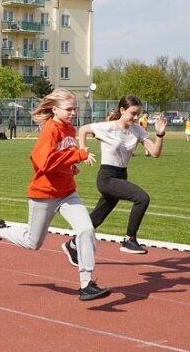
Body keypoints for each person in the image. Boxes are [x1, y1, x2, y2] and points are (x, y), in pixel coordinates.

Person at [0, 88, 110, 301]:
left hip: (67, 192)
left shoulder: (69, 129)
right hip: (44, 194)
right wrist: (78, 155)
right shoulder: (50, 129)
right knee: (33, 242)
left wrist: (71, 166)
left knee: (86, 229)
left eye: (75, 109)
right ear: (55, 109)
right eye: (68, 109)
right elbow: (43, 163)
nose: (73, 113)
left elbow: (62, 158)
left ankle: (86, 284)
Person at [62, 95, 166, 266]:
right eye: (132, 113)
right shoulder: (108, 127)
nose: (135, 117)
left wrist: (160, 134)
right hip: (107, 177)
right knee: (142, 198)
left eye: (138, 114)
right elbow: (83, 130)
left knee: (98, 217)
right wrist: (83, 151)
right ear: (122, 110)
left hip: (121, 176)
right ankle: (129, 239)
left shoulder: (137, 129)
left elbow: (155, 153)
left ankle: (72, 244)